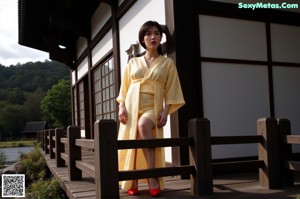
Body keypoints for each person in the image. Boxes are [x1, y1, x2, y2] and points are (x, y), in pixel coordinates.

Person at [117, 20, 185, 197]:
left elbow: (172, 88)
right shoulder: (133, 62)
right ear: (142, 39)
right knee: (132, 137)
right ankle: (132, 180)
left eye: (156, 33)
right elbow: (124, 87)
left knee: (143, 126)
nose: (152, 37)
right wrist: (121, 106)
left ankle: (152, 176)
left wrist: (166, 110)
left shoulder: (167, 63)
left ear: (161, 38)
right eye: (148, 33)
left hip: (153, 106)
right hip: (131, 104)